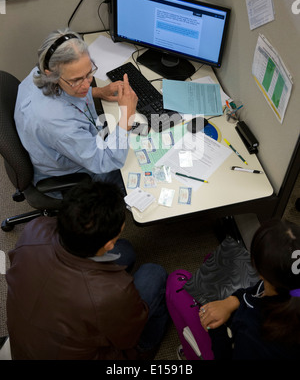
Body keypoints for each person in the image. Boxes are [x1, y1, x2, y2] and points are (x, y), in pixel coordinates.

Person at [5, 180, 169, 360]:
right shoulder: (114, 291)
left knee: (125, 250)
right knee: (154, 273)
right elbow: (125, 340)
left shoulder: (34, 229)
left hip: (27, 345)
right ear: (108, 244)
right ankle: (145, 348)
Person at [14, 28, 138, 190]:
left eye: (89, 73)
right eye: (77, 80)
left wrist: (98, 91)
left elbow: (67, 93)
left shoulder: (41, 71)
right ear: (51, 74)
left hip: (69, 144)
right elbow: (106, 161)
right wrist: (127, 117)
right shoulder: (58, 123)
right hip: (72, 173)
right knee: (135, 172)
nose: (86, 84)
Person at [167, 219, 300, 360]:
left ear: (258, 268)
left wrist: (215, 328)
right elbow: (257, 290)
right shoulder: (285, 286)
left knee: (176, 280)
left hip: (229, 346)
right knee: (213, 260)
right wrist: (233, 300)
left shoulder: (251, 330)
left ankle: (190, 354)